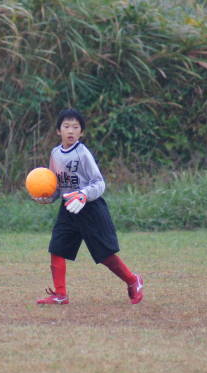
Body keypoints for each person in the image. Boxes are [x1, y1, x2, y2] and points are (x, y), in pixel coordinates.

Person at [32, 108, 143, 305]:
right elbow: (56, 185)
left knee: (105, 255)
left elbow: (99, 183)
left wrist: (83, 195)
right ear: (58, 130)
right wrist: (47, 197)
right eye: (66, 126)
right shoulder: (55, 154)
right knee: (57, 248)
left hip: (90, 208)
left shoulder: (83, 153)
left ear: (81, 132)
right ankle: (60, 295)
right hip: (68, 208)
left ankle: (133, 280)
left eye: (76, 127)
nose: (71, 131)